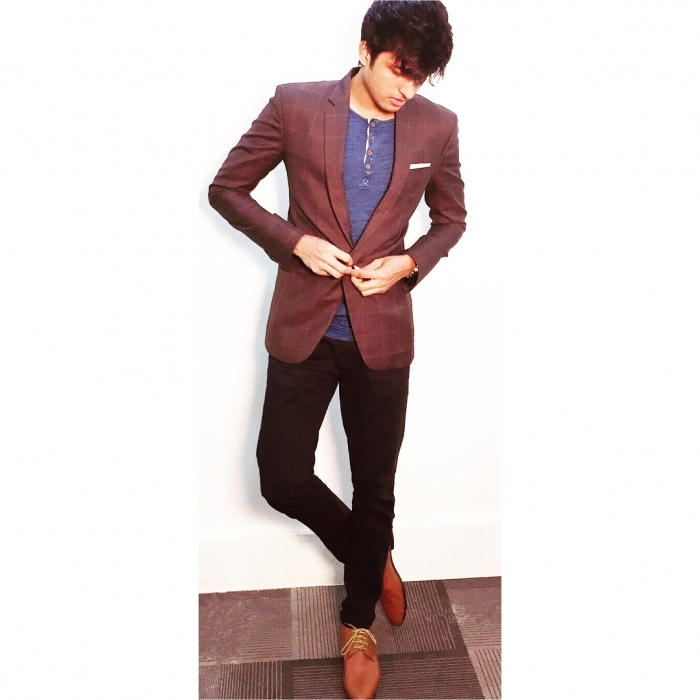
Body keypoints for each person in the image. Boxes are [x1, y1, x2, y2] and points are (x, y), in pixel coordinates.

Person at [208, 2, 465, 696]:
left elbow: (451, 219)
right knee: (281, 475)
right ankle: (371, 555)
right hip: (306, 325)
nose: (408, 87)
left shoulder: (437, 125)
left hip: (383, 333)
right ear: (365, 49)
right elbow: (227, 188)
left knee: (376, 483)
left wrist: (409, 263)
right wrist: (296, 243)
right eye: (398, 70)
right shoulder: (295, 105)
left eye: (421, 76)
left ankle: (357, 623)